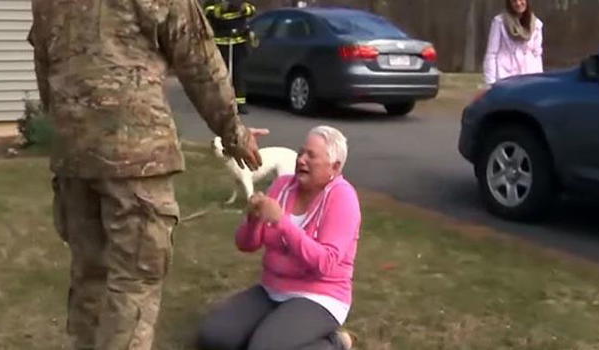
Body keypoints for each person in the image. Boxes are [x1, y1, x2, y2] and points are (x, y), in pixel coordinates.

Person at [27, 0, 268, 349]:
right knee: (133, 285)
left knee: (89, 277)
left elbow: (45, 65)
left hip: (75, 157)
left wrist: (68, 127)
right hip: (137, 156)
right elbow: (198, 58)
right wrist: (233, 132)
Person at [197, 126, 361, 350]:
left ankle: (335, 343)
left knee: (263, 348)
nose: (301, 160)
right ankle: (276, 329)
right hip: (272, 289)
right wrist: (253, 220)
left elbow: (325, 263)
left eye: (311, 156)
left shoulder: (343, 198)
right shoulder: (283, 186)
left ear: (334, 167)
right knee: (214, 336)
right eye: (301, 152)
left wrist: (281, 222)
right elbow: (245, 244)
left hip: (319, 296)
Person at [204, 0, 257, 115]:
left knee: (238, 75)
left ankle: (240, 104)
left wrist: (243, 8)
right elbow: (207, 12)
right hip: (221, 44)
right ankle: (220, 104)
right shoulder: (213, 2)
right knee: (220, 75)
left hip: (238, 44)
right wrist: (220, 9)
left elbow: (252, 10)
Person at [483, 0, 544, 86]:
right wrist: (490, 82)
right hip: (505, 75)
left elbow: (537, 54)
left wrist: (539, 80)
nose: (518, 3)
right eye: (514, 1)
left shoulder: (536, 24)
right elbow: (492, 53)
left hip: (529, 76)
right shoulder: (500, 22)